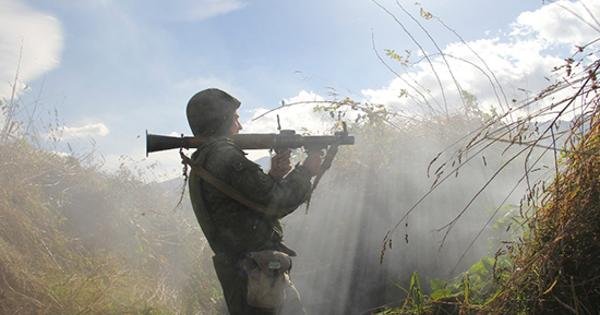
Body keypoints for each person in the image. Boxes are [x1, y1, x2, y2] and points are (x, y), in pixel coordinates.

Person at [185, 88, 321, 315]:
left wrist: (274, 177)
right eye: (235, 118)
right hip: (255, 274)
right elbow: (276, 203)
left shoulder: (206, 158)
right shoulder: (224, 156)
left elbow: (244, 203)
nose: (239, 126)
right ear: (222, 120)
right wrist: (306, 172)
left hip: (249, 272)